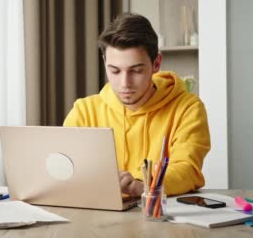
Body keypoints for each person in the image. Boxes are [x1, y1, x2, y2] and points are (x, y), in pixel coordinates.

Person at [63, 12, 210, 197]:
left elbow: (187, 169)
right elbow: (65, 167)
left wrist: (143, 185)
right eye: (114, 71)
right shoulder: (84, 111)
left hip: (158, 216)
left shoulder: (188, 108)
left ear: (156, 64)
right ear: (104, 62)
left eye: (136, 71)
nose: (125, 83)